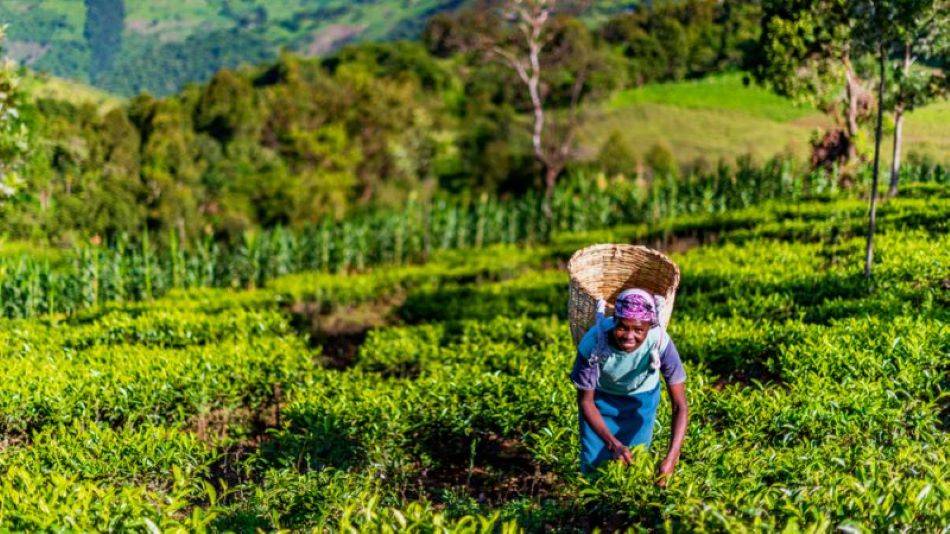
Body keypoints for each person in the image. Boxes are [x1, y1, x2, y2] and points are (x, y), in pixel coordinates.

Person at [569, 288, 688, 484]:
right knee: (594, 469)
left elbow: (680, 406)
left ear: (649, 327)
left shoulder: (660, 341)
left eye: (639, 329)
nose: (629, 336)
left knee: (635, 465)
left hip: (641, 401)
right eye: (623, 327)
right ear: (614, 319)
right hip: (599, 403)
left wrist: (671, 458)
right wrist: (612, 443)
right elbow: (585, 402)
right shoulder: (593, 343)